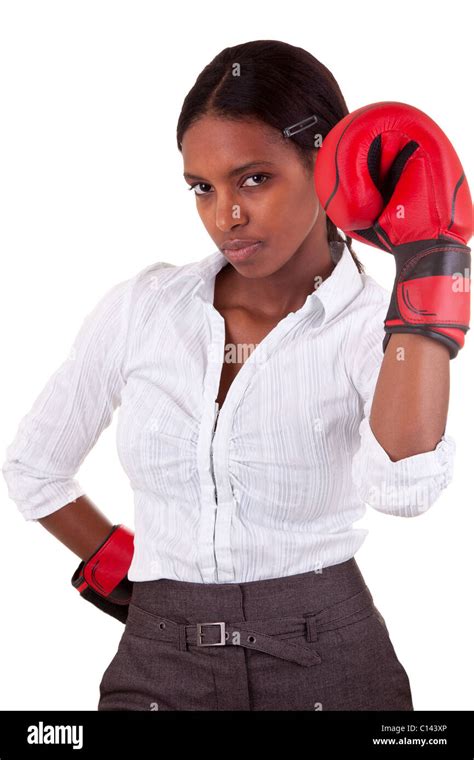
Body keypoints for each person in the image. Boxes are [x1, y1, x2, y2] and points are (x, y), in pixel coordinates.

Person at [2, 39, 468, 711]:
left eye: (254, 178)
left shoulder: (374, 324)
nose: (226, 216)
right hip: (158, 664)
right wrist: (139, 588)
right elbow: (34, 468)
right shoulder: (145, 309)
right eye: (203, 188)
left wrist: (432, 268)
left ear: (325, 163)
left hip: (329, 663)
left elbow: (403, 489)